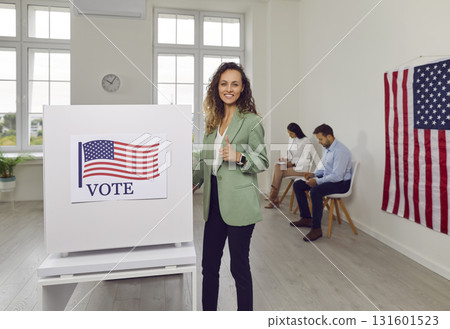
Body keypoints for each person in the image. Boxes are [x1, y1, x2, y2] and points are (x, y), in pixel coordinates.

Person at [193, 62, 269, 311]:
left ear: (242, 88)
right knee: (209, 267)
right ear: (217, 87)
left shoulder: (251, 121)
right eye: (224, 83)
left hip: (240, 206)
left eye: (234, 84)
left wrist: (240, 157)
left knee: (239, 269)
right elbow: (204, 162)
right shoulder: (212, 122)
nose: (229, 89)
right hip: (213, 202)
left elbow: (263, 160)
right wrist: (189, 183)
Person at [291, 124, 352, 242]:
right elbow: (323, 167)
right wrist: (313, 175)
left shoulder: (341, 151)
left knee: (315, 191)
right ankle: (306, 218)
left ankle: (316, 229)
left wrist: (317, 181)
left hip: (342, 184)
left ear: (329, 136)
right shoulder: (327, 149)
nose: (319, 142)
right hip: (330, 179)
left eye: (320, 139)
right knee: (298, 185)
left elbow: (337, 176)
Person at [265, 122, 313, 208]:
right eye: (288, 133)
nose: (290, 135)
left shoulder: (306, 141)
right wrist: (285, 159)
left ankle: (273, 197)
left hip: (301, 169)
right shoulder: (291, 139)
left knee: (279, 171)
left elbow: (306, 160)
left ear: (297, 132)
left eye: (291, 133)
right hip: (292, 165)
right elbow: (291, 154)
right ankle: (273, 197)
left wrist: (292, 163)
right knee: (277, 166)